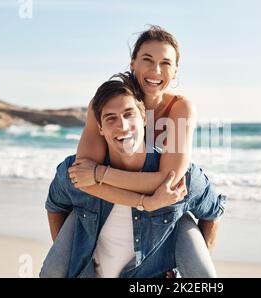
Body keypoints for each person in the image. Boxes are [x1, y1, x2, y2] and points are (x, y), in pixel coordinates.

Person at [43, 25, 225, 277]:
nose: (156, 71)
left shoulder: (179, 109)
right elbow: (82, 177)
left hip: (164, 208)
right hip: (106, 205)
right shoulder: (107, 103)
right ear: (133, 63)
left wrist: (101, 174)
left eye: (165, 63)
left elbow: (167, 180)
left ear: (175, 71)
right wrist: (143, 201)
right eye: (147, 60)